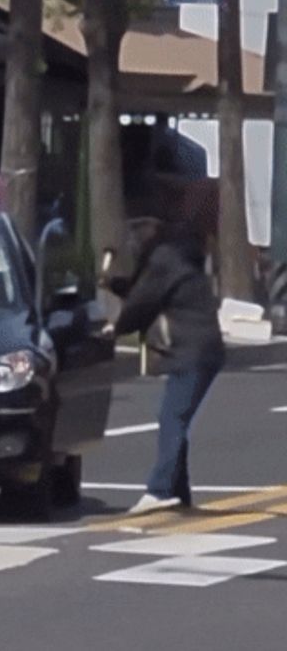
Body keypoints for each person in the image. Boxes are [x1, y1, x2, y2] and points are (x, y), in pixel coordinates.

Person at [101, 220, 225, 514]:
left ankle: (160, 489)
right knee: (175, 417)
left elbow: (143, 303)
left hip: (190, 351)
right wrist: (115, 285)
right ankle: (178, 491)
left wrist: (116, 328)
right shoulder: (179, 260)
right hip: (202, 350)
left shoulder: (164, 261)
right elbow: (145, 291)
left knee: (173, 418)